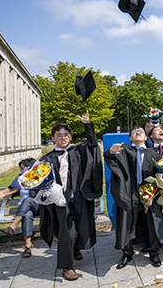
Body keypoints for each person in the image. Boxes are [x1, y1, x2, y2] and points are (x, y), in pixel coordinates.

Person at [40, 111, 103, 281]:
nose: (63, 137)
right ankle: (66, 267)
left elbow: (92, 145)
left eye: (66, 134)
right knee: (67, 233)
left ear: (70, 137)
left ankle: (75, 250)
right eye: (58, 135)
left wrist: (87, 125)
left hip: (80, 198)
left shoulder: (77, 152)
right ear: (53, 138)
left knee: (82, 228)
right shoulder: (47, 158)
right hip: (62, 201)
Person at [104, 126, 163, 269]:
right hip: (129, 192)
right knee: (126, 223)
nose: (138, 133)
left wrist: (161, 189)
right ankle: (127, 253)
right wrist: (111, 151)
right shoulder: (124, 150)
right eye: (134, 132)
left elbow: (161, 174)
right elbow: (109, 156)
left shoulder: (153, 153)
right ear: (130, 138)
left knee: (154, 223)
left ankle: (154, 253)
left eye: (141, 132)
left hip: (150, 192)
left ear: (146, 137)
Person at [0, 158, 37, 257]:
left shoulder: (40, 179)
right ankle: (28, 246)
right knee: (27, 214)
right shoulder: (21, 181)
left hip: (38, 207)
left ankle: (12, 227)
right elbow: (4, 192)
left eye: (22, 168)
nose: (21, 170)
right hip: (24, 211)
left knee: (27, 201)